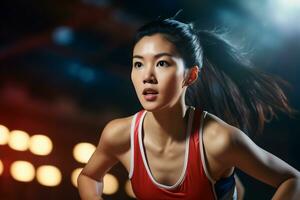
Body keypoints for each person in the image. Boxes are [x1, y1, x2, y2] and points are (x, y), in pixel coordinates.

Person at [77, 11, 300, 200]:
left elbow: (293, 179)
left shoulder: (220, 141)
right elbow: (88, 176)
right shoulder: (119, 134)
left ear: (191, 75)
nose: (147, 76)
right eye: (138, 64)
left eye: (162, 63)